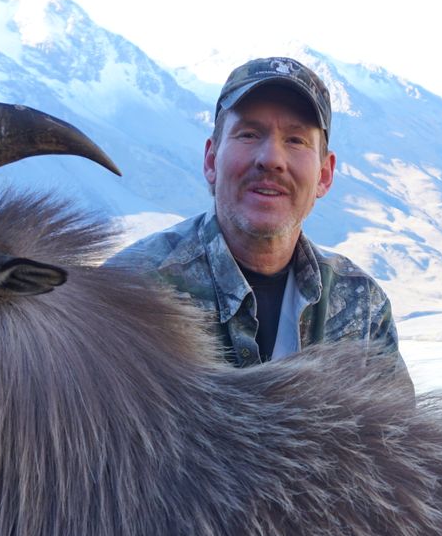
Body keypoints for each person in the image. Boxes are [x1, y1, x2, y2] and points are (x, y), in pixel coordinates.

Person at [111, 57, 410, 384]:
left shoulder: (362, 303)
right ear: (211, 160)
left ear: (324, 174)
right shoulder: (129, 290)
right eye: (249, 134)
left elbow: (397, 433)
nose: (271, 160)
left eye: (296, 140)